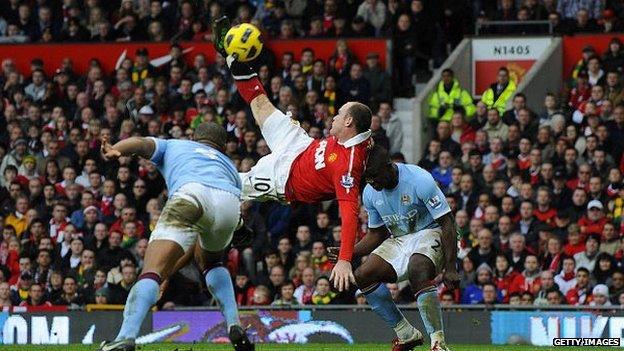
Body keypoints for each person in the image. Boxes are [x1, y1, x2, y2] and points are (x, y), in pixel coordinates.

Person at [214, 16, 373, 292]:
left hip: (283, 178)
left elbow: (349, 213)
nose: (334, 115)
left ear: (349, 123)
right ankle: (231, 56)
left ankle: (234, 226)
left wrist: (346, 260)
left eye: (340, 113)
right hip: (299, 144)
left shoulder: (349, 165)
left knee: (228, 184)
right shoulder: (348, 138)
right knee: (260, 103)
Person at [97, 122, 253, 351]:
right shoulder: (228, 165)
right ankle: (233, 324)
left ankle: (125, 336)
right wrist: (238, 227)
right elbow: (232, 220)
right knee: (213, 263)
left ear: (194, 137)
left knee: (151, 271)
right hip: (230, 204)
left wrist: (116, 148)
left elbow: (142, 143)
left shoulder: (176, 145)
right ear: (222, 146)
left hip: (191, 194)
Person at [329, 145, 458, 351]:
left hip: (431, 231)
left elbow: (448, 222)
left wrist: (451, 266)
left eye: (374, 176)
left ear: (388, 167)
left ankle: (438, 343)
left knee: (418, 268)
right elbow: (376, 234)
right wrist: (349, 252)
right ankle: (406, 334)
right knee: (363, 275)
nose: (371, 182)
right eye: (367, 178)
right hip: (400, 239)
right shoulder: (371, 192)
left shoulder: (419, 179)